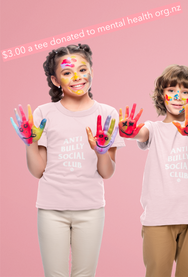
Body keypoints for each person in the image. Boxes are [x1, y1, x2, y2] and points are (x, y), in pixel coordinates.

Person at [10, 43, 124, 277]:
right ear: (55, 80)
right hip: (51, 209)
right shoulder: (43, 114)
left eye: (83, 69)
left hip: (91, 209)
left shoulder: (108, 114)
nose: (77, 77)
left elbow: (107, 173)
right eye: (67, 72)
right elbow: (38, 171)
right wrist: (30, 143)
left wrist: (101, 151)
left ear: (92, 70)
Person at [118, 64, 188, 277]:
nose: (177, 96)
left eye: (185, 92)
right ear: (162, 94)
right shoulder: (154, 128)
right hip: (158, 218)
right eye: (171, 90)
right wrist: (128, 131)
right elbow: (140, 133)